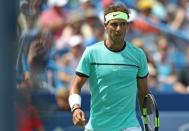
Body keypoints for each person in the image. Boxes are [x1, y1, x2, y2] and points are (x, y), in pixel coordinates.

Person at [68, 3, 149, 131]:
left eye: (123, 24)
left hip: (129, 126)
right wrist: (76, 108)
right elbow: (75, 85)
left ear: (127, 26)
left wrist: (148, 120)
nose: (118, 29)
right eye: (114, 24)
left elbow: (144, 94)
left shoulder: (138, 55)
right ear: (105, 26)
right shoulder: (91, 53)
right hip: (96, 127)